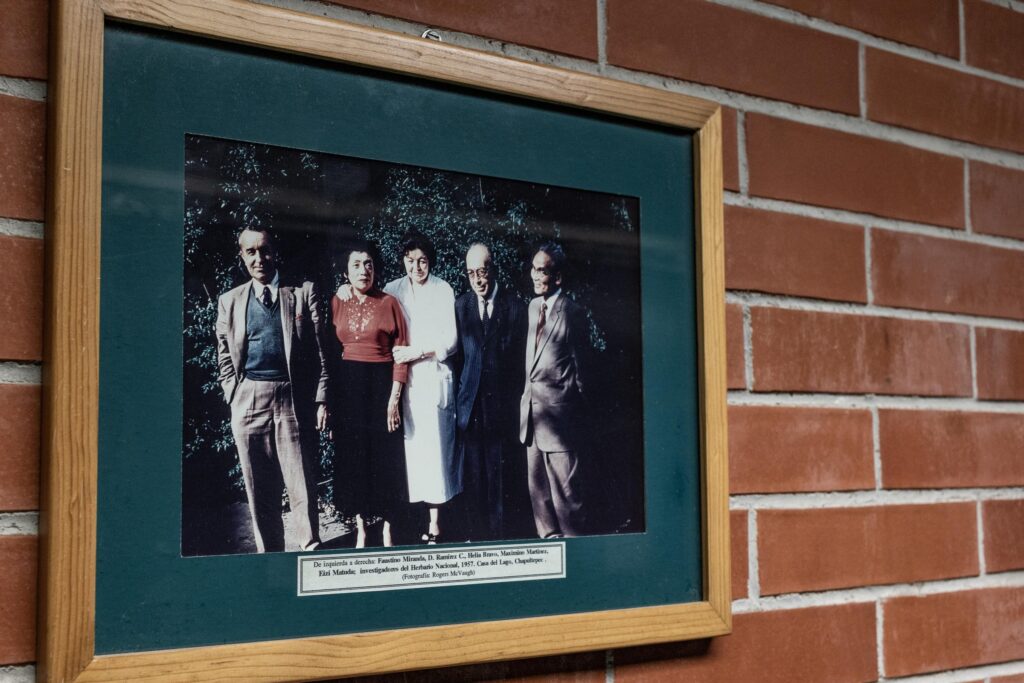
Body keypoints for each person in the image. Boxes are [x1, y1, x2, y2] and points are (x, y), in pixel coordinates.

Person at [215, 227, 329, 553]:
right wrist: (233, 395)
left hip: (292, 397)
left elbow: (321, 353)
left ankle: (310, 554)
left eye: (263, 250)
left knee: (302, 486)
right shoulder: (230, 301)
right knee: (259, 490)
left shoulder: (302, 292)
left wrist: (321, 398)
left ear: (274, 250)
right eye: (250, 252)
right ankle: (271, 562)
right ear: (242, 257)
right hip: (249, 397)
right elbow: (224, 354)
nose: (258, 258)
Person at [379, 231, 461, 544]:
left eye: (422, 260)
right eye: (411, 261)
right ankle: (412, 520)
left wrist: (418, 351)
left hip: (433, 375)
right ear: (403, 261)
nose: (417, 267)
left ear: (431, 262)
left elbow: (451, 340)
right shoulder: (392, 289)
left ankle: (436, 524)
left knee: (437, 454)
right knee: (411, 455)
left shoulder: (443, 289)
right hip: (405, 383)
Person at [329, 241, 409, 548]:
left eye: (369, 264)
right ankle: (361, 527)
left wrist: (394, 398)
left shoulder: (389, 302)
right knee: (354, 459)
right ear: (347, 272)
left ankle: (388, 527)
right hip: (348, 387)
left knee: (386, 458)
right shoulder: (336, 301)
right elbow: (330, 350)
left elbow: (401, 352)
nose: (364, 270)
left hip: (381, 385)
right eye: (356, 265)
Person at [454, 243, 528, 540]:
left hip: (502, 408)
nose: (477, 280)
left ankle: (501, 540)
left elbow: (522, 362)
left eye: (482, 271)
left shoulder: (516, 307)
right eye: (471, 273)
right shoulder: (462, 306)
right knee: (473, 476)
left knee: (500, 477)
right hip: (471, 408)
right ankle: (476, 538)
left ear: (493, 268)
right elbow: (459, 359)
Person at [519, 242, 588, 538]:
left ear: (557, 277)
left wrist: (572, 412)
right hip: (532, 420)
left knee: (569, 506)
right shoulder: (533, 307)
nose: (535, 275)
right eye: (533, 269)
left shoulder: (572, 312)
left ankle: (578, 566)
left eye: (542, 270)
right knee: (541, 505)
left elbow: (584, 371)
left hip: (561, 424)